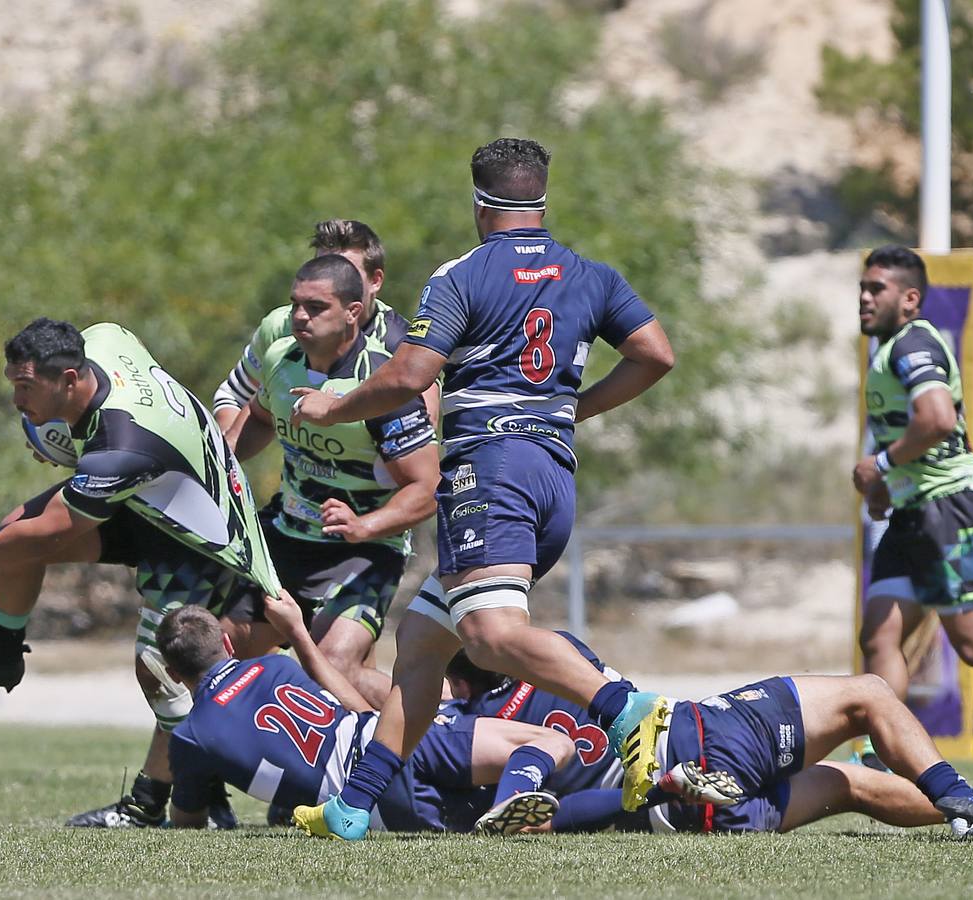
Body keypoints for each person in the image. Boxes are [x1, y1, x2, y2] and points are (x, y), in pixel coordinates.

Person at [288, 137, 680, 839]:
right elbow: (656, 354)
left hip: (489, 470)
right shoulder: (589, 273)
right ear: (539, 199)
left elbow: (409, 376)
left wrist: (332, 404)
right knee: (421, 643)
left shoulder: (461, 274)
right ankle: (352, 808)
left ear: (479, 203)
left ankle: (627, 708)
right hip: (549, 477)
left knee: (489, 633)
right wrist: (573, 407)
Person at [0, 318, 285, 828]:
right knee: (15, 526)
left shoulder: (123, 445)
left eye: (25, 389)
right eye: (14, 384)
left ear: (68, 380)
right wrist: (64, 436)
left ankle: (204, 794)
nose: (17, 402)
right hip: (155, 499)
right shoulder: (102, 337)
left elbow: (54, 533)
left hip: (204, 538)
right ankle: (0, 655)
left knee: (160, 669)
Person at [440, 621, 973, 837]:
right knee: (868, 695)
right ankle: (962, 798)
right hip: (696, 740)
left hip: (685, 815)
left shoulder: (477, 733)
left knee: (848, 784)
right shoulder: (556, 651)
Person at [157, 595, 574, 834]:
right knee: (552, 741)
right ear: (228, 647)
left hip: (384, 811)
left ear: (174, 673)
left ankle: (507, 811)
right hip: (392, 748)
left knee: (474, 817)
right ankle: (511, 799)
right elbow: (356, 707)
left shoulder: (192, 736)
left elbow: (188, 818)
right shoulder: (276, 666)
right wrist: (298, 632)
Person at [230, 254, 437, 703]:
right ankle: (192, 774)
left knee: (334, 664)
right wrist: (220, 461)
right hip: (286, 538)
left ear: (353, 312)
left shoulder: (383, 385)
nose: (300, 317)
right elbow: (261, 418)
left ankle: (438, 733)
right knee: (222, 651)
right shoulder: (280, 359)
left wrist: (365, 526)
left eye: (316, 307)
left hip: (362, 551)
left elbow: (426, 488)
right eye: (295, 305)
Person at [853, 246, 973, 720]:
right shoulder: (888, 351)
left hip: (952, 509)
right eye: (862, 287)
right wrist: (887, 485)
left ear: (910, 299)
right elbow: (910, 433)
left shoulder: (911, 345)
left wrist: (879, 465)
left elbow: (938, 419)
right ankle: (885, 757)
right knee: (879, 636)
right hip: (915, 512)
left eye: (877, 288)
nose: (864, 297)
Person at [212, 219, 439, 435]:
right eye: (323, 267)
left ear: (375, 280)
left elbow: (425, 426)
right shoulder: (281, 326)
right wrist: (226, 466)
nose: (331, 281)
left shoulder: (404, 346)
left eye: (345, 272)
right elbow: (233, 396)